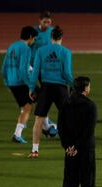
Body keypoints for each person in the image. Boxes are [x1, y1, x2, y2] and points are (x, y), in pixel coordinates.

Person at [28, 26, 74, 158]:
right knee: (67, 119)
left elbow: (35, 72)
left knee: (39, 120)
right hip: (60, 89)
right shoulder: (66, 52)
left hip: (46, 88)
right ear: (61, 38)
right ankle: (70, 149)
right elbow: (67, 73)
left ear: (51, 37)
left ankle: (35, 150)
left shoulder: (41, 51)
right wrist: (73, 85)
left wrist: (32, 88)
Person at [58, 76, 97, 187]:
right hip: (86, 151)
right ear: (85, 88)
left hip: (70, 151)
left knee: (69, 185)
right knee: (88, 185)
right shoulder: (90, 106)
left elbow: (61, 127)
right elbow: (88, 130)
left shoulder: (65, 104)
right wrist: (77, 147)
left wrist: (68, 146)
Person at [1, 26, 38, 144]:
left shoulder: (12, 46)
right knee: (38, 101)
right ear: (31, 37)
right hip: (21, 82)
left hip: (12, 82)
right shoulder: (26, 49)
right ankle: (47, 127)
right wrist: (31, 86)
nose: (34, 41)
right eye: (34, 38)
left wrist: (6, 82)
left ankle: (18, 134)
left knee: (27, 107)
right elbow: (23, 69)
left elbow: (4, 66)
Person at [31, 10, 57, 136]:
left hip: (47, 68)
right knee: (40, 96)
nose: (47, 23)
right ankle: (45, 124)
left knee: (44, 95)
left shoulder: (52, 32)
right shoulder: (33, 32)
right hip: (33, 68)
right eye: (44, 21)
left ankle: (45, 123)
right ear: (40, 20)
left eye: (49, 21)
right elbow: (28, 48)